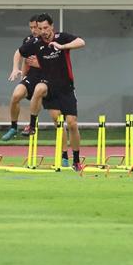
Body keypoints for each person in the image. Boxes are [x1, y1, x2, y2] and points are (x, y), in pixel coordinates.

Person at [18, 13, 86, 171]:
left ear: (52, 27)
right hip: (49, 86)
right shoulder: (35, 43)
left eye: (46, 28)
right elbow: (19, 52)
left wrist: (63, 47)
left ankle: (76, 160)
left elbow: (81, 42)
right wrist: (17, 69)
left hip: (66, 88)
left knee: (72, 123)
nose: (43, 31)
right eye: (40, 28)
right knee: (42, 94)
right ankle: (32, 125)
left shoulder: (61, 37)